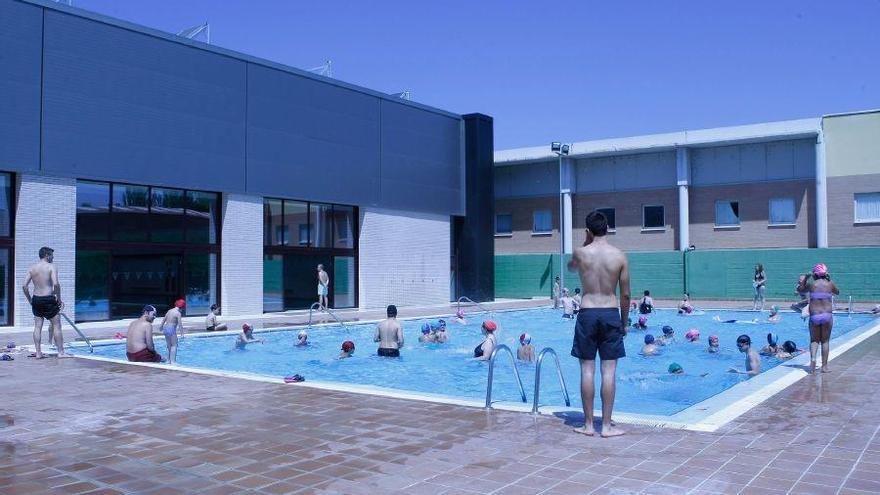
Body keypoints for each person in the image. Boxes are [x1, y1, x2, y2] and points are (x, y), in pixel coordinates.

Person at [567, 210, 629, 438]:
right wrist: (624, 323)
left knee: (587, 370)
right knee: (609, 371)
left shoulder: (581, 254)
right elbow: (626, 295)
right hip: (611, 312)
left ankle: (588, 425)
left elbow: (570, 268)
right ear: (608, 229)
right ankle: (606, 427)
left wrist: (585, 243)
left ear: (588, 230)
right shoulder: (620, 256)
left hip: (587, 312)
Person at [22, 247, 69, 359]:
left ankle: (38, 353)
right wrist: (59, 298)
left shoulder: (32, 268)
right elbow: (56, 284)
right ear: (47, 255)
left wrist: (30, 300)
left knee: (37, 326)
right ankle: (61, 353)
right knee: (57, 325)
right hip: (48, 298)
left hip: (36, 299)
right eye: (52, 255)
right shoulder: (51, 267)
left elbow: (24, 286)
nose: (53, 257)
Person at [798, 263, 839, 373]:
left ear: (814, 274)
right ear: (825, 274)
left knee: (814, 340)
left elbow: (800, 289)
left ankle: (812, 362)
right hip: (827, 315)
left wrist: (806, 278)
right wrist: (829, 280)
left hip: (815, 316)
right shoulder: (829, 283)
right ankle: (824, 367)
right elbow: (837, 292)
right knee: (825, 341)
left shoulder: (812, 284)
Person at [159, 299, 185, 364]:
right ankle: (173, 362)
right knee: (174, 345)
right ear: (181, 307)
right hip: (171, 329)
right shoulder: (178, 313)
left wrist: (161, 327)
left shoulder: (169, 311)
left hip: (166, 328)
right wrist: (182, 334)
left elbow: (164, 319)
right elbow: (180, 325)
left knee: (169, 346)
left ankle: (168, 360)